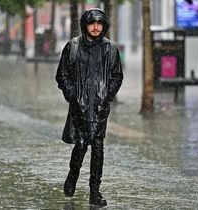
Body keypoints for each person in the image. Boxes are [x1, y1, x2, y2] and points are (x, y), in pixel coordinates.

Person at [55, 8, 123, 207]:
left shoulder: (110, 49)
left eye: (99, 23)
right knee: (82, 144)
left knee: (99, 148)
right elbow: (62, 75)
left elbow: (117, 76)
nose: (95, 27)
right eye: (92, 23)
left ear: (104, 26)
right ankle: (73, 175)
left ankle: (95, 191)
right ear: (85, 25)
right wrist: (73, 96)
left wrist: (106, 96)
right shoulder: (73, 46)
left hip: (100, 108)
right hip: (79, 107)